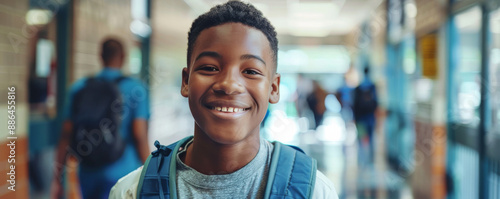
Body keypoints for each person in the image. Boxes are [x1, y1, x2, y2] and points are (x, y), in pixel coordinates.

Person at [109, 1, 338, 198]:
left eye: (251, 71)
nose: (229, 85)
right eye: (209, 67)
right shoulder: (131, 191)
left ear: (274, 88)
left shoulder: (314, 191)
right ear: (186, 81)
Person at [51, 38, 150, 199]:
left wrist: (57, 178)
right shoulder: (135, 88)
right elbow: (139, 134)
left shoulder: (79, 87)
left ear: (101, 56)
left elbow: (66, 133)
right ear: (123, 57)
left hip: (88, 170)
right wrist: (150, 172)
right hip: (124, 171)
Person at [352, 66, 378, 164]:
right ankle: (371, 157)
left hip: (360, 117)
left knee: (361, 137)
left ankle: (361, 156)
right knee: (371, 136)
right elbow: (376, 102)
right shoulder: (372, 87)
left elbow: (355, 104)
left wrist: (354, 117)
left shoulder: (358, 88)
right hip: (370, 117)